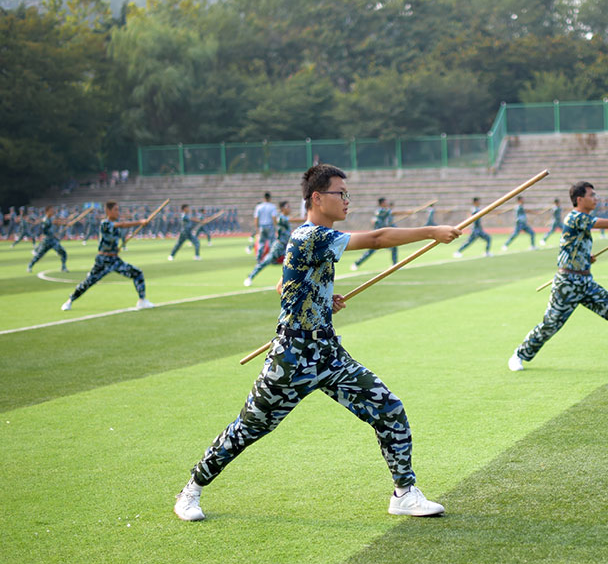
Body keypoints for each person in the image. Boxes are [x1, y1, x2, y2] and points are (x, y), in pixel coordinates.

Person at [173, 164, 461, 521]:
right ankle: (192, 490)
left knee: (389, 410)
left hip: (328, 354)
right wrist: (432, 231)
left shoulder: (315, 241)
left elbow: (284, 286)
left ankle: (404, 492)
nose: (346, 201)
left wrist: (322, 299)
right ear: (317, 198)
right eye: (341, 194)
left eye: (347, 194)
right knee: (250, 426)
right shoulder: (310, 236)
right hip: (292, 358)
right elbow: (375, 239)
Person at [508, 181, 608, 372]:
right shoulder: (575, 217)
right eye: (591, 195)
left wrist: (586, 257)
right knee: (551, 324)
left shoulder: (582, 218)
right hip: (567, 283)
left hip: (585, 282)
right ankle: (519, 354)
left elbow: (573, 246)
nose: (595, 198)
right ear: (579, 199)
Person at [61, 202, 154, 311]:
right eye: (115, 210)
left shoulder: (115, 225)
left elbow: (113, 238)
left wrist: (115, 249)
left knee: (137, 273)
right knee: (88, 282)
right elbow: (123, 224)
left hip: (114, 260)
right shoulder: (105, 224)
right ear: (108, 211)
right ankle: (70, 300)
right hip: (103, 261)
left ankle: (142, 301)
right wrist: (140, 222)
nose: (117, 212)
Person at [244, 201, 297, 286]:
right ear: (283, 208)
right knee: (265, 262)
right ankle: (250, 277)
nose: (290, 209)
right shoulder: (281, 218)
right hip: (279, 246)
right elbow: (289, 220)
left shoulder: (285, 218)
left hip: (287, 246)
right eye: (288, 207)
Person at [351, 197, 397, 269]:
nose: (387, 203)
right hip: (377, 236)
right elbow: (393, 213)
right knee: (370, 251)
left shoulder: (384, 212)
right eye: (385, 202)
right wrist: (408, 212)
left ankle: (395, 264)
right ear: (382, 203)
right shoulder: (381, 211)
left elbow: (387, 221)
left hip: (383, 235)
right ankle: (357, 263)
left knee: (394, 247)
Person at [27, 206, 69, 273]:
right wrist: (53, 234)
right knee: (39, 255)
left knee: (63, 253)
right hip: (47, 241)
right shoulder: (45, 220)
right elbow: (45, 231)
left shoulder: (51, 218)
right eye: (51, 210)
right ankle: (30, 266)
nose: (53, 211)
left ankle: (63, 267)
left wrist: (64, 224)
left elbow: (56, 222)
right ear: (47, 211)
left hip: (53, 241)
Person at [253, 191, 278, 262]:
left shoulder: (259, 207)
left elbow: (256, 218)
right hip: (270, 226)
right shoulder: (272, 207)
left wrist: (257, 228)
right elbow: (274, 218)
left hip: (262, 226)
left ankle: (259, 258)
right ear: (270, 198)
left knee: (261, 243)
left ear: (264, 198)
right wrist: (276, 227)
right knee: (272, 243)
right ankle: (272, 259)